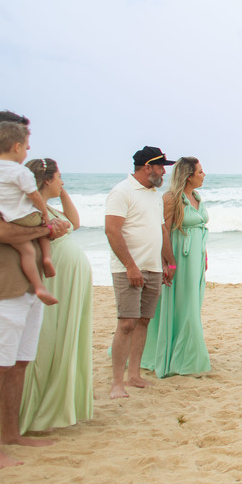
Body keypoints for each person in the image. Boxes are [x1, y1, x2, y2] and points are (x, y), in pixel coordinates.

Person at [0, 110, 68, 468]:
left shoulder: (8, 176)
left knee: (19, 360)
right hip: (0, 279)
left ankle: (11, 433)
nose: (29, 148)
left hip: (27, 283)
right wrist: (46, 230)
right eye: (26, 141)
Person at [18, 158, 94, 432]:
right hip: (56, 280)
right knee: (48, 338)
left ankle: (53, 403)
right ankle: (38, 407)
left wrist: (61, 193)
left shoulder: (47, 206)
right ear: (46, 179)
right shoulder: (31, 209)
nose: (63, 182)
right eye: (59, 178)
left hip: (69, 281)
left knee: (64, 336)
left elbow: (74, 221)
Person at [105, 146, 175, 399]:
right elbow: (112, 231)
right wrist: (130, 266)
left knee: (144, 321)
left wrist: (169, 262)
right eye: (160, 167)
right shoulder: (121, 192)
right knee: (126, 323)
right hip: (128, 269)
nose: (163, 172)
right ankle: (116, 383)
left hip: (153, 267)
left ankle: (134, 375)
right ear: (148, 167)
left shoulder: (155, 195)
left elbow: (162, 232)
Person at [142, 157, 211, 377]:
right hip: (179, 258)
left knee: (192, 305)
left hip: (196, 259)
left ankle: (186, 352)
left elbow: (199, 227)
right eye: (200, 171)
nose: (204, 174)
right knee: (183, 305)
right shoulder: (171, 198)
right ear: (188, 175)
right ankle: (183, 357)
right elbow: (164, 231)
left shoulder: (197, 197)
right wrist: (169, 262)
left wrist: (204, 255)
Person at [0, 122, 58, 305]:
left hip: (8, 219)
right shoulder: (21, 172)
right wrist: (45, 214)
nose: (27, 150)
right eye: (25, 147)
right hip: (25, 216)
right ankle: (47, 257)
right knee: (46, 228)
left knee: (27, 251)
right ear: (17, 147)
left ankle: (38, 286)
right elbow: (35, 196)